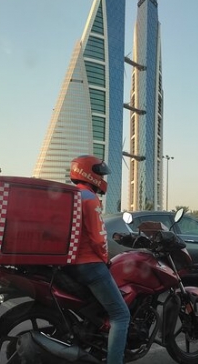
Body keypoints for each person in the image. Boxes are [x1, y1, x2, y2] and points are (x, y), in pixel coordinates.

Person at [64, 155, 130, 364]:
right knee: (121, 315)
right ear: (88, 172)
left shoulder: (73, 196)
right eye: (100, 172)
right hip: (89, 265)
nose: (102, 177)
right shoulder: (89, 198)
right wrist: (106, 259)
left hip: (71, 264)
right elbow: (98, 237)